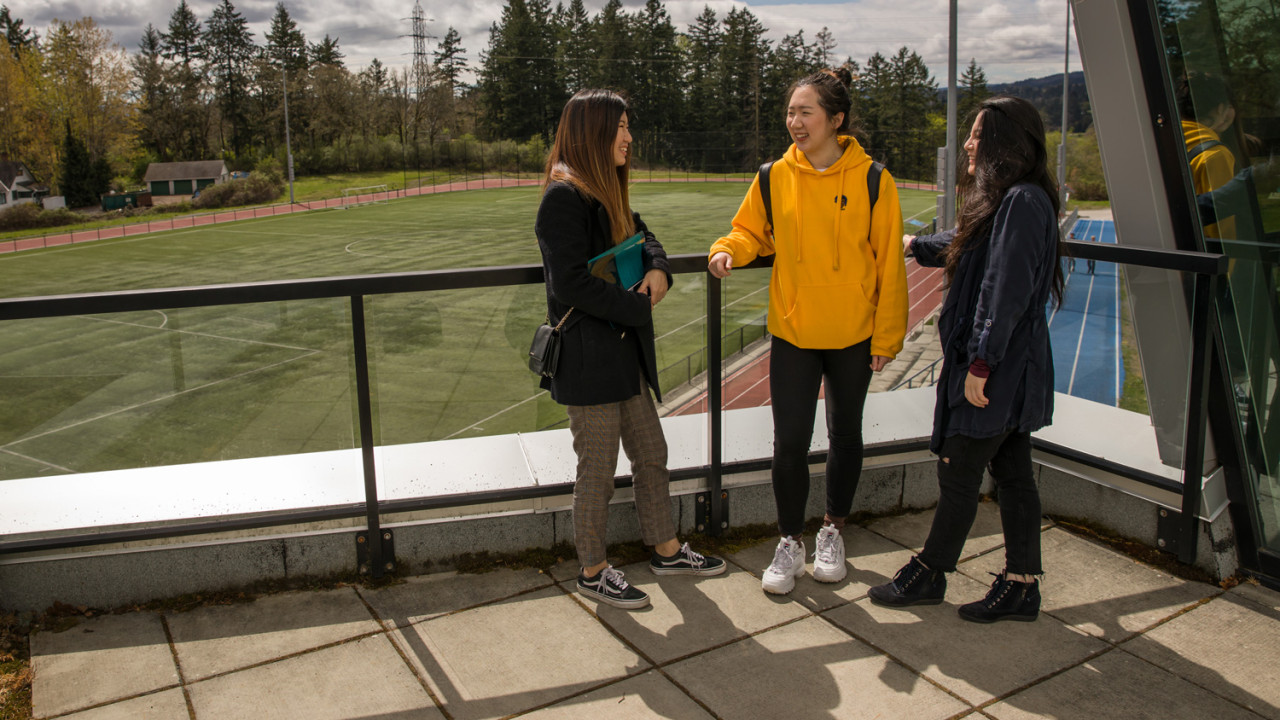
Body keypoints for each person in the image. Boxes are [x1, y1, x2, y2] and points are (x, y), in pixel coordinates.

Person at [708, 68, 908, 595]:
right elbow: (751, 230)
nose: (794, 122)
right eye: (790, 113)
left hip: (854, 334)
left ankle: (833, 531)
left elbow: (890, 263)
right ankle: (789, 542)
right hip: (795, 332)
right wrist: (727, 250)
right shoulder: (774, 175)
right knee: (790, 441)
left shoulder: (873, 179)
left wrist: (887, 337)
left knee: (845, 436)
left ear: (835, 120)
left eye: (806, 113)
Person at [868, 95, 1064, 623]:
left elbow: (1005, 289)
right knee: (1014, 473)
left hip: (995, 370)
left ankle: (930, 572)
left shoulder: (1021, 202)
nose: (969, 144)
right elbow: (965, 243)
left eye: (977, 134)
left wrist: (981, 363)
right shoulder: (1013, 200)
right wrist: (913, 244)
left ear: (1003, 141)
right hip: (1011, 367)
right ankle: (1022, 586)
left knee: (959, 468)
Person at [536, 89, 725, 610]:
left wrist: (659, 269)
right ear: (595, 130)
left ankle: (664, 548)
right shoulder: (563, 197)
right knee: (597, 468)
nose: (629, 136)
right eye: (620, 126)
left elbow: (647, 239)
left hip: (621, 358)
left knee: (651, 453)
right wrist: (636, 308)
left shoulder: (607, 191)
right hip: (588, 361)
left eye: (628, 125)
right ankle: (593, 569)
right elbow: (569, 285)